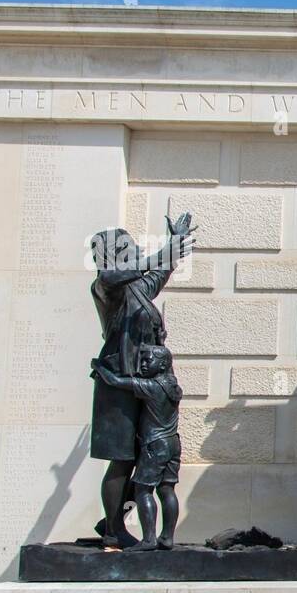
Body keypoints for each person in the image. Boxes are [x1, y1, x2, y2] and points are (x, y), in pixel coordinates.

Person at [88, 214, 194, 548]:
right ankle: (113, 530)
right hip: (117, 381)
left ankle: (114, 518)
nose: (132, 249)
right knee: (123, 457)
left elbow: (159, 272)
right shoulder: (107, 287)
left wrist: (173, 247)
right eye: (125, 248)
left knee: (146, 457)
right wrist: (160, 254)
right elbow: (115, 275)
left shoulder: (136, 290)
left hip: (144, 384)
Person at [91, 345, 182, 552]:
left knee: (143, 490)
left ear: (162, 364)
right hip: (173, 443)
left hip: (154, 444)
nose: (142, 364)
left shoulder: (151, 386)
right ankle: (167, 537)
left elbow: (116, 381)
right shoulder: (173, 385)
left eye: (147, 360)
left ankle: (149, 539)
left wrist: (99, 367)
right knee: (167, 489)